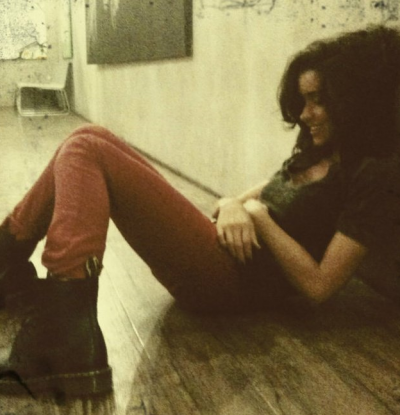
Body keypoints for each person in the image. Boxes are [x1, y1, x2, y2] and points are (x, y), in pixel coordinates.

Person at [1, 24, 400, 397]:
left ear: (356, 99)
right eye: (304, 99)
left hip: (232, 280)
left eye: (318, 101)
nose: (304, 113)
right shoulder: (320, 151)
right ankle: (6, 262)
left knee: (86, 149)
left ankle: (65, 334)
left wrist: (258, 216)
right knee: (90, 134)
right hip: (218, 248)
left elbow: (320, 287)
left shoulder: (375, 175)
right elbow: (250, 196)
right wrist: (232, 205)